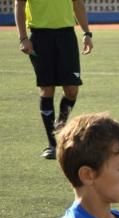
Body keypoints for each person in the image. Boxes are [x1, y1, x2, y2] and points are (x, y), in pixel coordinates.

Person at [15, 0, 93, 159]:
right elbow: (19, 5)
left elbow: (78, 4)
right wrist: (23, 38)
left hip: (66, 36)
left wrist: (86, 33)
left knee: (72, 90)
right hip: (40, 36)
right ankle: (53, 145)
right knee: (47, 88)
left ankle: (60, 124)